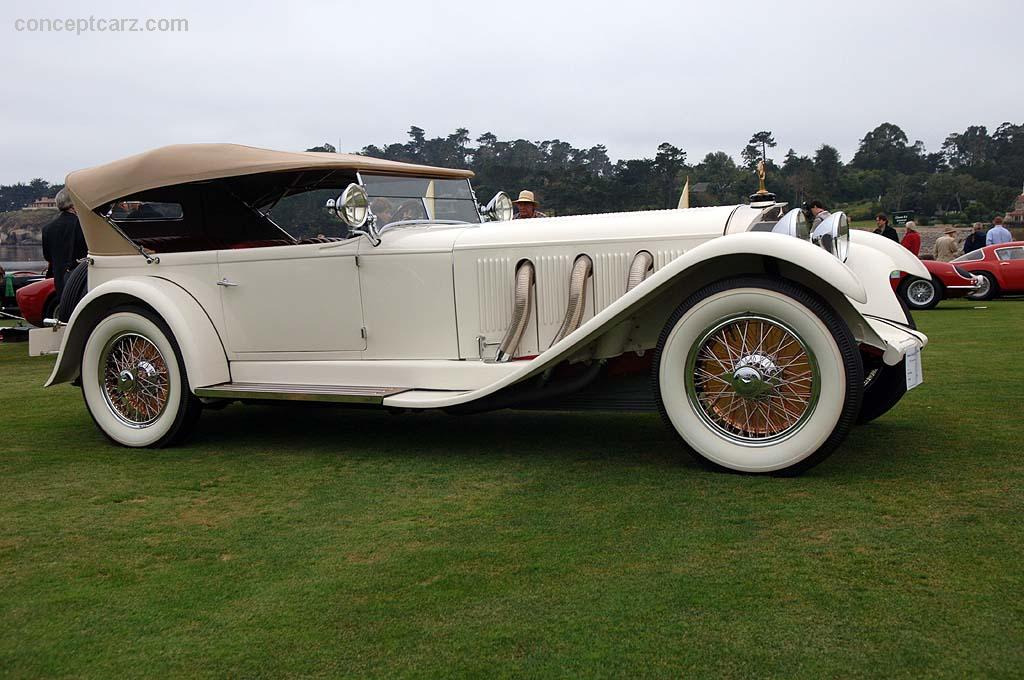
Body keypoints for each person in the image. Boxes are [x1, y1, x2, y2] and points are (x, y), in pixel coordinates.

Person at [41, 188, 87, 296]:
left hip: (59, 279)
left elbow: (47, 256)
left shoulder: (47, 228)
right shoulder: (82, 225)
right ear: (73, 204)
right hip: (80, 279)